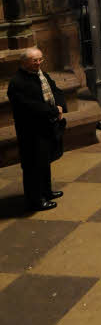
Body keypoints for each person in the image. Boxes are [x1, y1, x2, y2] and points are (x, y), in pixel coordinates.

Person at [7, 48, 66, 211]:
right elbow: (30, 106)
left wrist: (60, 105)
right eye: (35, 61)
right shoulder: (17, 83)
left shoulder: (42, 75)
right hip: (31, 132)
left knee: (44, 162)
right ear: (24, 62)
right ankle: (35, 200)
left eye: (40, 59)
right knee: (33, 166)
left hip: (46, 127)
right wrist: (54, 111)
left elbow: (56, 91)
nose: (39, 63)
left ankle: (46, 192)